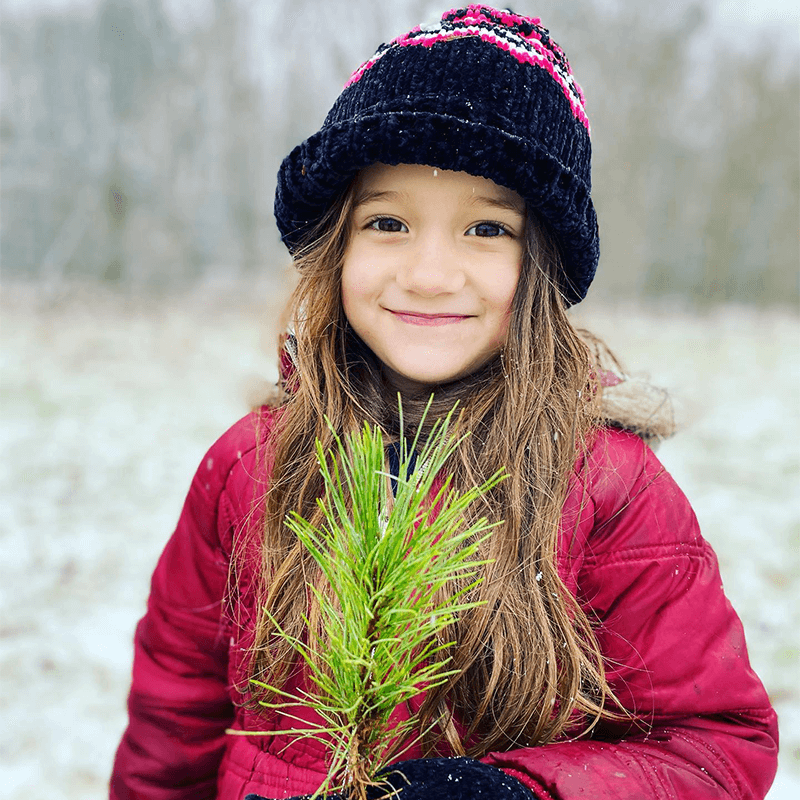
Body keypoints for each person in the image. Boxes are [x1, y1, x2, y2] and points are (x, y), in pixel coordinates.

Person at [110, 6, 778, 799]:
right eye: (388, 221)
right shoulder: (249, 466)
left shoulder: (607, 488)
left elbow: (713, 748)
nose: (429, 274)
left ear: (542, 270)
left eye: (486, 230)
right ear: (337, 247)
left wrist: (519, 793)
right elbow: (172, 725)